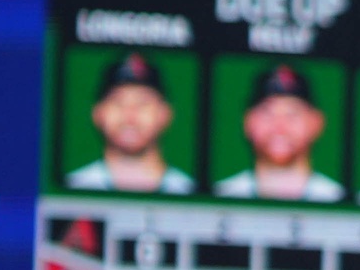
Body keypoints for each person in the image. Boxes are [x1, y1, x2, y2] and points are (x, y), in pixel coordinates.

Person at [68, 54, 191, 194]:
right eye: (118, 102)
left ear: (165, 114)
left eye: (142, 103)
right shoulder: (75, 187)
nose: (129, 116)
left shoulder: (188, 190)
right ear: (98, 113)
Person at [218, 63, 342, 202]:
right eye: (267, 113)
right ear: (248, 121)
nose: (279, 127)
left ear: (316, 123)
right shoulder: (221, 197)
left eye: (292, 114)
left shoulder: (338, 200)